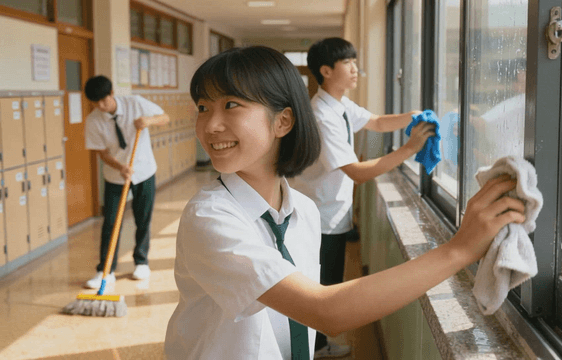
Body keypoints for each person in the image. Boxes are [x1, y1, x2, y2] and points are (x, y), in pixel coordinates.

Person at [164, 46, 525, 360]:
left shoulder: (302, 212)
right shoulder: (209, 218)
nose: (210, 125)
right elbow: (325, 311)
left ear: (283, 121)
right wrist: (459, 250)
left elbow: (378, 121)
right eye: (202, 107)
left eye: (230, 105)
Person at [288, 37, 436, 357]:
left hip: (332, 211)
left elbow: (377, 122)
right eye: (348, 63)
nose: (356, 69)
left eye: (356, 62)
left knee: (327, 279)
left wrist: (412, 117)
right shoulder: (322, 116)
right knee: (322, 284)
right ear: (326, 71)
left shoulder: (339, 105)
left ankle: (318, 344)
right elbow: (357, 172)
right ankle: (313, 347)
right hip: (320, 216)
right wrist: (408, 149)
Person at [83, 75, 169, 289]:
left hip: (144, 170)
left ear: (112, 94)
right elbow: (102, 154)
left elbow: (165, 117)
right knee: (111, 222)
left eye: (104, 101)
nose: (101, 106)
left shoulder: (135, 103)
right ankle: (105, 270)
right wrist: (120, 168)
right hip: (116, 175)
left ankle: (141, 262)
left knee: (143, 218)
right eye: (96, 103)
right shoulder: (93, 121)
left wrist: (148, 121)